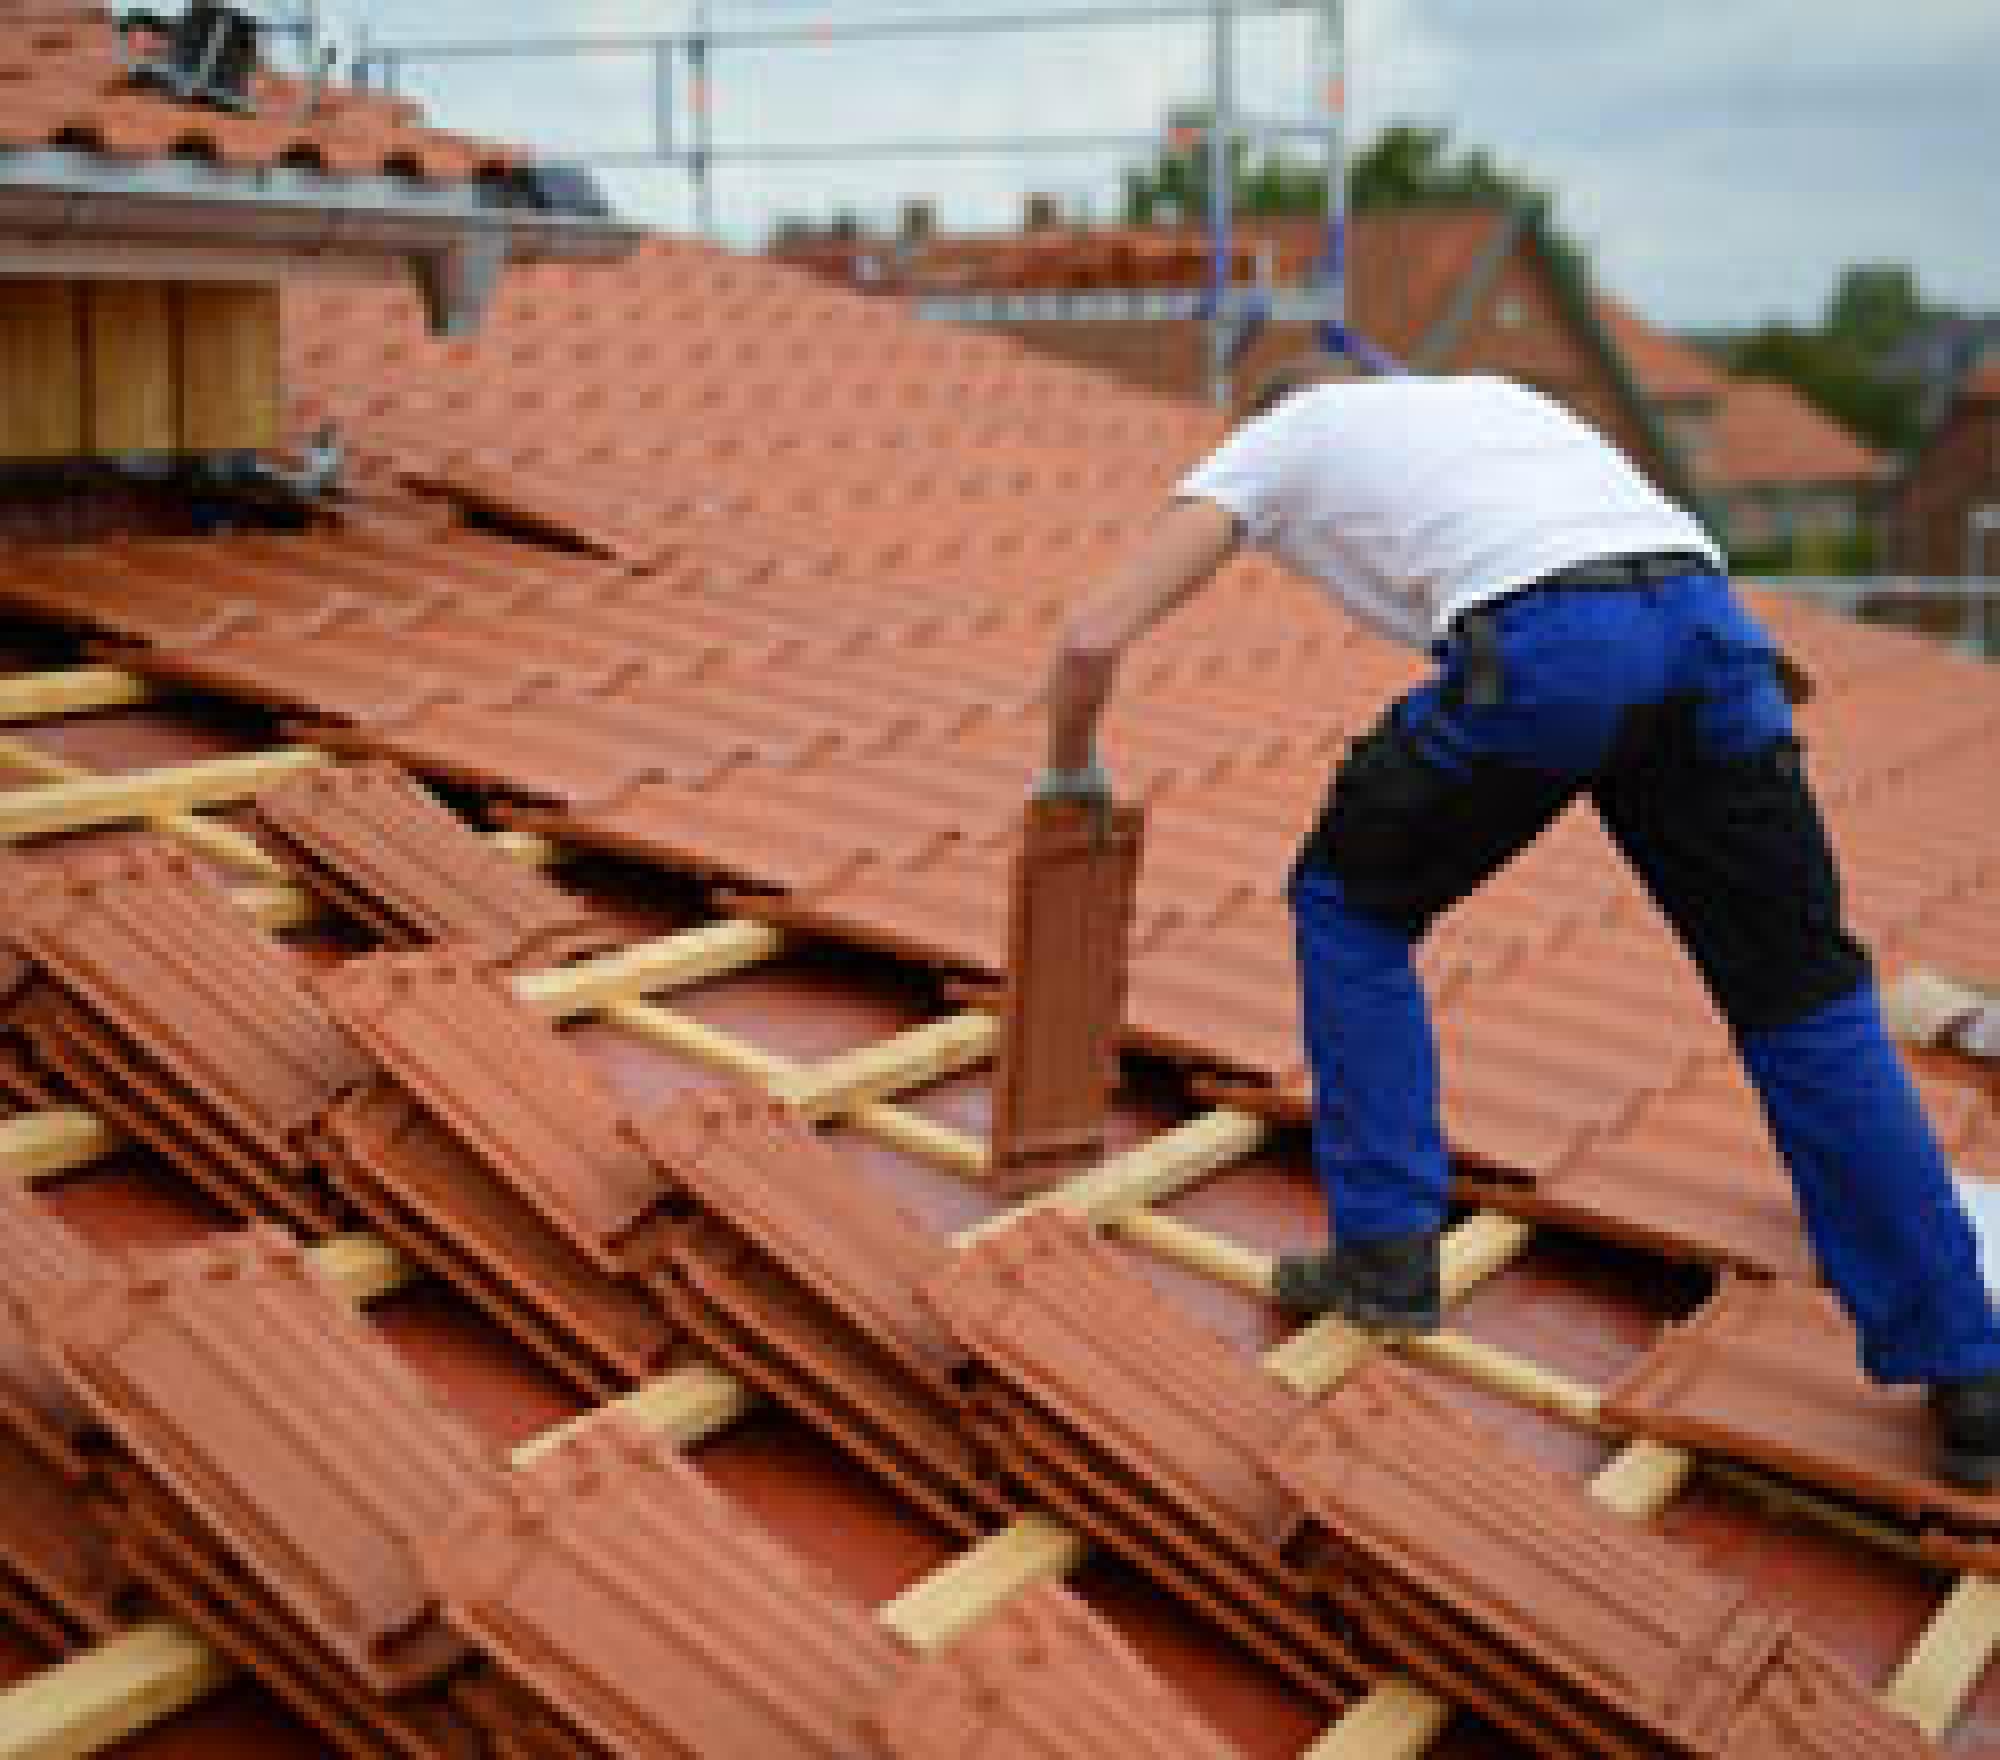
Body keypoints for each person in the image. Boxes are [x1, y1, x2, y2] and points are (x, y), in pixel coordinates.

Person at [1039, 358, 2000, 1488]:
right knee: (1803, 998)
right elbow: (1641, 571)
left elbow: (1090, 637)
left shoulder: (1279, 438)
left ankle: (1383, 1250)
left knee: (1348, 906)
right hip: (1709, 631)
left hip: (1554, 650)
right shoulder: (1499, 406)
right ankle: (1969, 1373)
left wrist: (1070, 774)